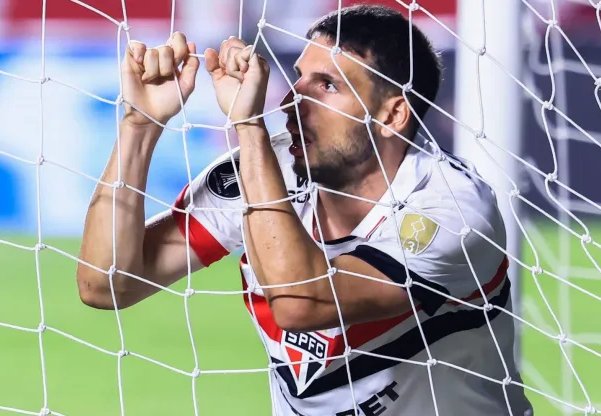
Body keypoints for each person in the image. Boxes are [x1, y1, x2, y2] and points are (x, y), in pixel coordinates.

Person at [76, 4, 534, 416]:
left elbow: (301, 301)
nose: (292, 99)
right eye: (298, 77)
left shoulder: (450, 207)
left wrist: (248, 127)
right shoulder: (263, 171)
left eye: (327, 85)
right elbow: (106, 283)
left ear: (392, 115)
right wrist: (142, 123)